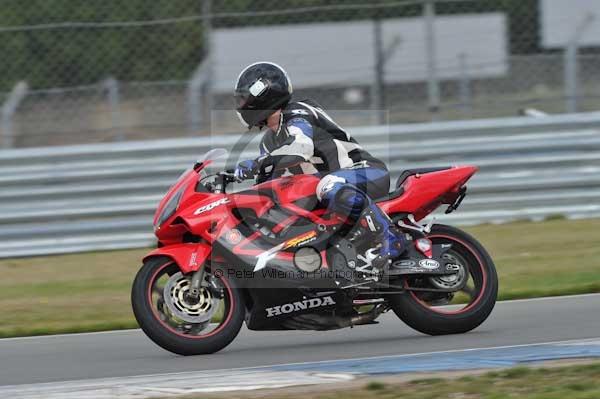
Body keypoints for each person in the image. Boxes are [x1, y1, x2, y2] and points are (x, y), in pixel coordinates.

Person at [233, 62, 404, 270]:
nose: (240, 105)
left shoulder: (298, 112)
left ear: (262, 94)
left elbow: (300, 147)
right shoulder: (268, 142)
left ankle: (391, 237)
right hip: (329, 196)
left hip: (365, 172)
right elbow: (268, 186)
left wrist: (257, 163)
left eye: (243, 98)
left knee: (328, 184)